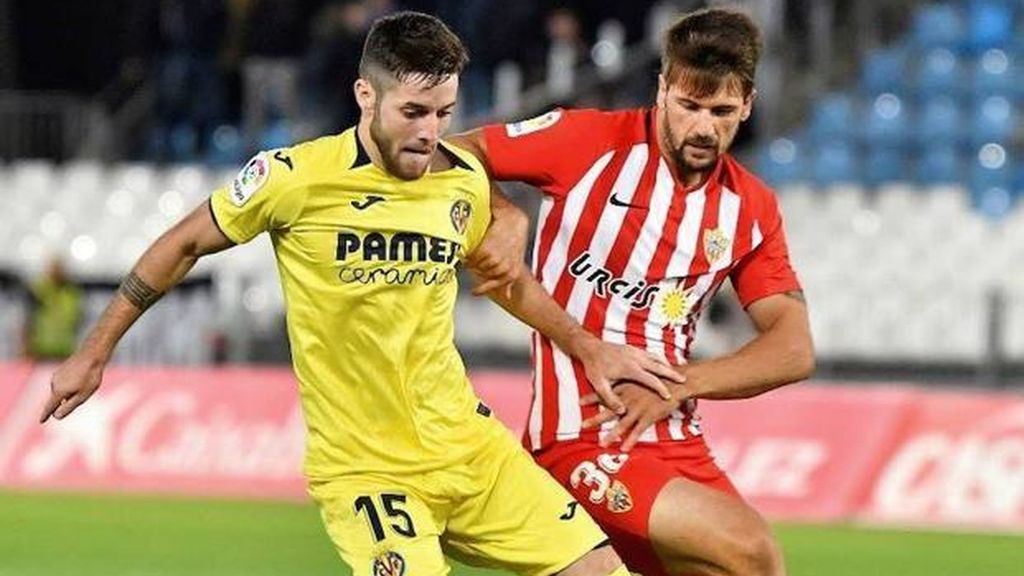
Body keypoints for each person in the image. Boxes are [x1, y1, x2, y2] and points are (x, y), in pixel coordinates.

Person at [39, 11, 681, 576]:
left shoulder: (458, 183)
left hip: (469, 449)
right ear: (364, 96)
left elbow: (504, 281)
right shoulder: (293, 178)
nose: (431, 133)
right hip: (369, 474)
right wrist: (96, 350)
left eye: (444, 114)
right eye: (413, 113)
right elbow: (181, 245)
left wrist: (586, 346)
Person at [451, 8, 815, 576]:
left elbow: (794, 348)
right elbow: (456, 150)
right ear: (663, 88)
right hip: (585, 435)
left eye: (721, 112)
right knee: (752, 551)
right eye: (689, 105)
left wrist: (686, 384)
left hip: (676, 439)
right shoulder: (584, 140)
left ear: (746, 104)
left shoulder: (750, 207)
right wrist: (502, 213)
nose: (703, 128)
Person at [24, 257, 83, 361]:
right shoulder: (38, 290)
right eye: (54, 268)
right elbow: (27, 319)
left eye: (60, 269)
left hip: (65, 350)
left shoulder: (72, 293)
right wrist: (26, 347)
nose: (57, 272)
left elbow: (78, 321)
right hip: (40, 351)